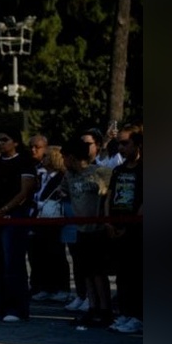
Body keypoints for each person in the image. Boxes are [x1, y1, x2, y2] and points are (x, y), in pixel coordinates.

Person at [0, 128, 38, 322]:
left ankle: (16, 308)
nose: (0, 143)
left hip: (14, 217)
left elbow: (24, 191)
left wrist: (5, 209)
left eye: (5, 139)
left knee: (12, 262)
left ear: (16, 142)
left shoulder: (25, 162)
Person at [59, 139, 113, 328]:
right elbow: (63, 192)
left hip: (98, 229)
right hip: (80, 229)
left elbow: (109, 196)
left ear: (72, 157)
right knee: (86, 271)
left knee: (99, 271)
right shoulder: (69, 176)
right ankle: (92, 306)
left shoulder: (101, 172)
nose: (63, 161)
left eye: (64, 157)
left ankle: (105, 309)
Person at [104, 128, 142, 333]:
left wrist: (130, 226)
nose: (121, 148)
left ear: (137, 145)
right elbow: (109, 196)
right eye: (119, 143)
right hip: (116, 225)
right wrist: (108, 222)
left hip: (136, 230)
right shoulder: (118, 170)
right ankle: (125, 312)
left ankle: (138, 316)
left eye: (125, 143)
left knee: (136, 274)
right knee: (122, 274)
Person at [28, 145, 72, 303]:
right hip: (38, 218)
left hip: (53, 220)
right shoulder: (41, 176)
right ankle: (44, 287)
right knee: (40, 254)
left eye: (46, 155)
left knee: (56, 254)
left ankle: (62, 288)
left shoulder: (62, 177)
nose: (43, 158)